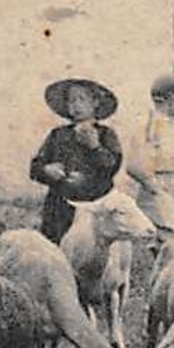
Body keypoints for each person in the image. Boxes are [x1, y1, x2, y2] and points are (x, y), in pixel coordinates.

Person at [29, 77, 124, 243]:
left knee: (91, 249)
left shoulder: (105, 134)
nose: (76, 105)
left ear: (95, 102)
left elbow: (112, 166)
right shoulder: (57, 135)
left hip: (94, 204)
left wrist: (94, 147)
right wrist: (47, 170)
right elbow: (35, 167)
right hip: (60, 206)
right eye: (71, 100)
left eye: (82, 99)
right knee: (56, 247)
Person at [126, 73, 174, 234]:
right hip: (160, 188)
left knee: (172, 243)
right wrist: (157, 190)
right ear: (170, 98)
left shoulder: (172, 126)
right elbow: (133, 166)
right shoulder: (149, 126)